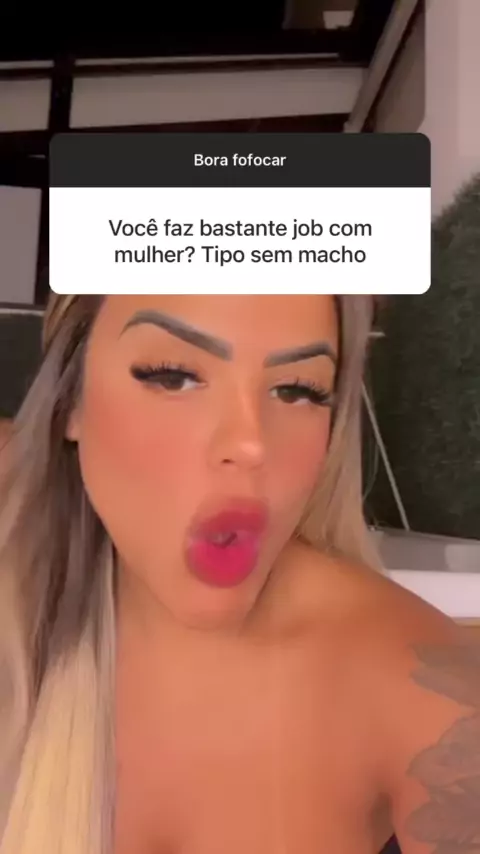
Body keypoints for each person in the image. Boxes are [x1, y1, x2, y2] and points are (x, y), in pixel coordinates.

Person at [0, 294, 477, 854]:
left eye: (297, 390)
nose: (250, 444)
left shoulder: (426, 693)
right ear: (69, 400)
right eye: (173, 376)